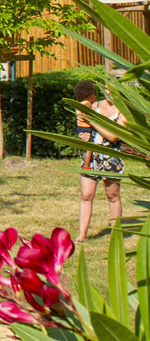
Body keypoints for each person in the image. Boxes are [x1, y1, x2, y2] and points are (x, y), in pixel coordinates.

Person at [74, 79, 125, 242]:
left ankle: (115, 234)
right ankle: (82, 234)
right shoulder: (93, 105)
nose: (109, 93)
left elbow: (113, 136)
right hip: (91, 155)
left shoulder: (124, 113)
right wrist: (81, 135)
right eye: (107, 89)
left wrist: (93, 121)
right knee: (86, 195)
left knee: (112, 196)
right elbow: (82, 124)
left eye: (113, 90)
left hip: (111, 157)